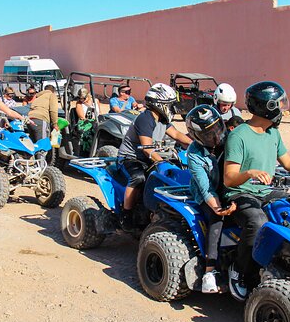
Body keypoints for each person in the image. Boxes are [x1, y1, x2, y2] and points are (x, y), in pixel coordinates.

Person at [223, 81, 290, 301]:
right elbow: (230, 178)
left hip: (266, 191)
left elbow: (289, 162)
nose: (283, 109)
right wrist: (250, 173)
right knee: (258, 222)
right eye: (279, 104)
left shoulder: (273, 134)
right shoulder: (239, 135)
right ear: (266, 106)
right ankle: (240, 271)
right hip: (242, 193)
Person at [117, 83, 192, 231]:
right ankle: (126, 215)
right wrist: (162, 161)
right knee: (138, 178)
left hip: (149, 159)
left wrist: (196, 145)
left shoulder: (162, 120)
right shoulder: (145, 119)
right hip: (130, 158)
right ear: (160, 104)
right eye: (169, 105)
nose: (172, 108)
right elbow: (147, 148)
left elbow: (177, 135)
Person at [186, 105, 237, 293]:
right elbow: (205, 188)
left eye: (217, 129)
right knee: (217, 219)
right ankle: (210, 271)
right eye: (208, 135)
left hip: (231, 188)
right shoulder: (194, 153)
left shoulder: (232, 139)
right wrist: (218, 208)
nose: (216, 137)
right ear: (198, 137)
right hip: (208, 193)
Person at [75, 87, 99, 153]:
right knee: (90, 132)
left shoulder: (96, 101)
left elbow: (100, 113)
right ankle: (87, 151)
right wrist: (91, 120)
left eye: (84, 98)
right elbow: (82, 117)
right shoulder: (79, 104)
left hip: (96, 121)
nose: (82, 100)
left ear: (88, 96)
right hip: (85, 123)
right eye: (80, 98)